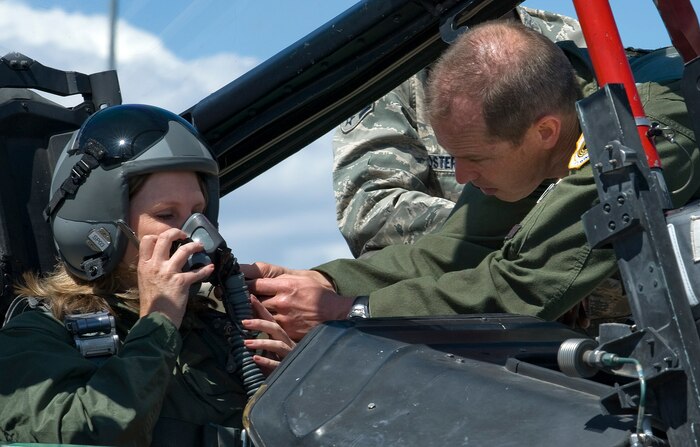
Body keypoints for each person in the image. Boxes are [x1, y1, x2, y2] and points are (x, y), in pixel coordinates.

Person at [242, 20, 698, 342]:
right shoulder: (542, 121)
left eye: (474, 158)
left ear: (544, 133)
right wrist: (325, 282)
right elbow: (456, 251)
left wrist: (353, 312)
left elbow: (521, 288)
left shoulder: (640, 135)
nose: (461, 176)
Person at [0, 104, 294, 446]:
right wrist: (158, 322)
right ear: (99, 226)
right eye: (167, 214)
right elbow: (88, 436)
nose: (196, 234)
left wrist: (295, 384)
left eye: (198, 212)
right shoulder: (34, 340)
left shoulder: (219, 329)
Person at [333, 6, 585, 258]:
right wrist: (498, 230)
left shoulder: (574, 42)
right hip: (465, 268)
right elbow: (371, 210)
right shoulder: (389, 67)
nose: (462, 174)